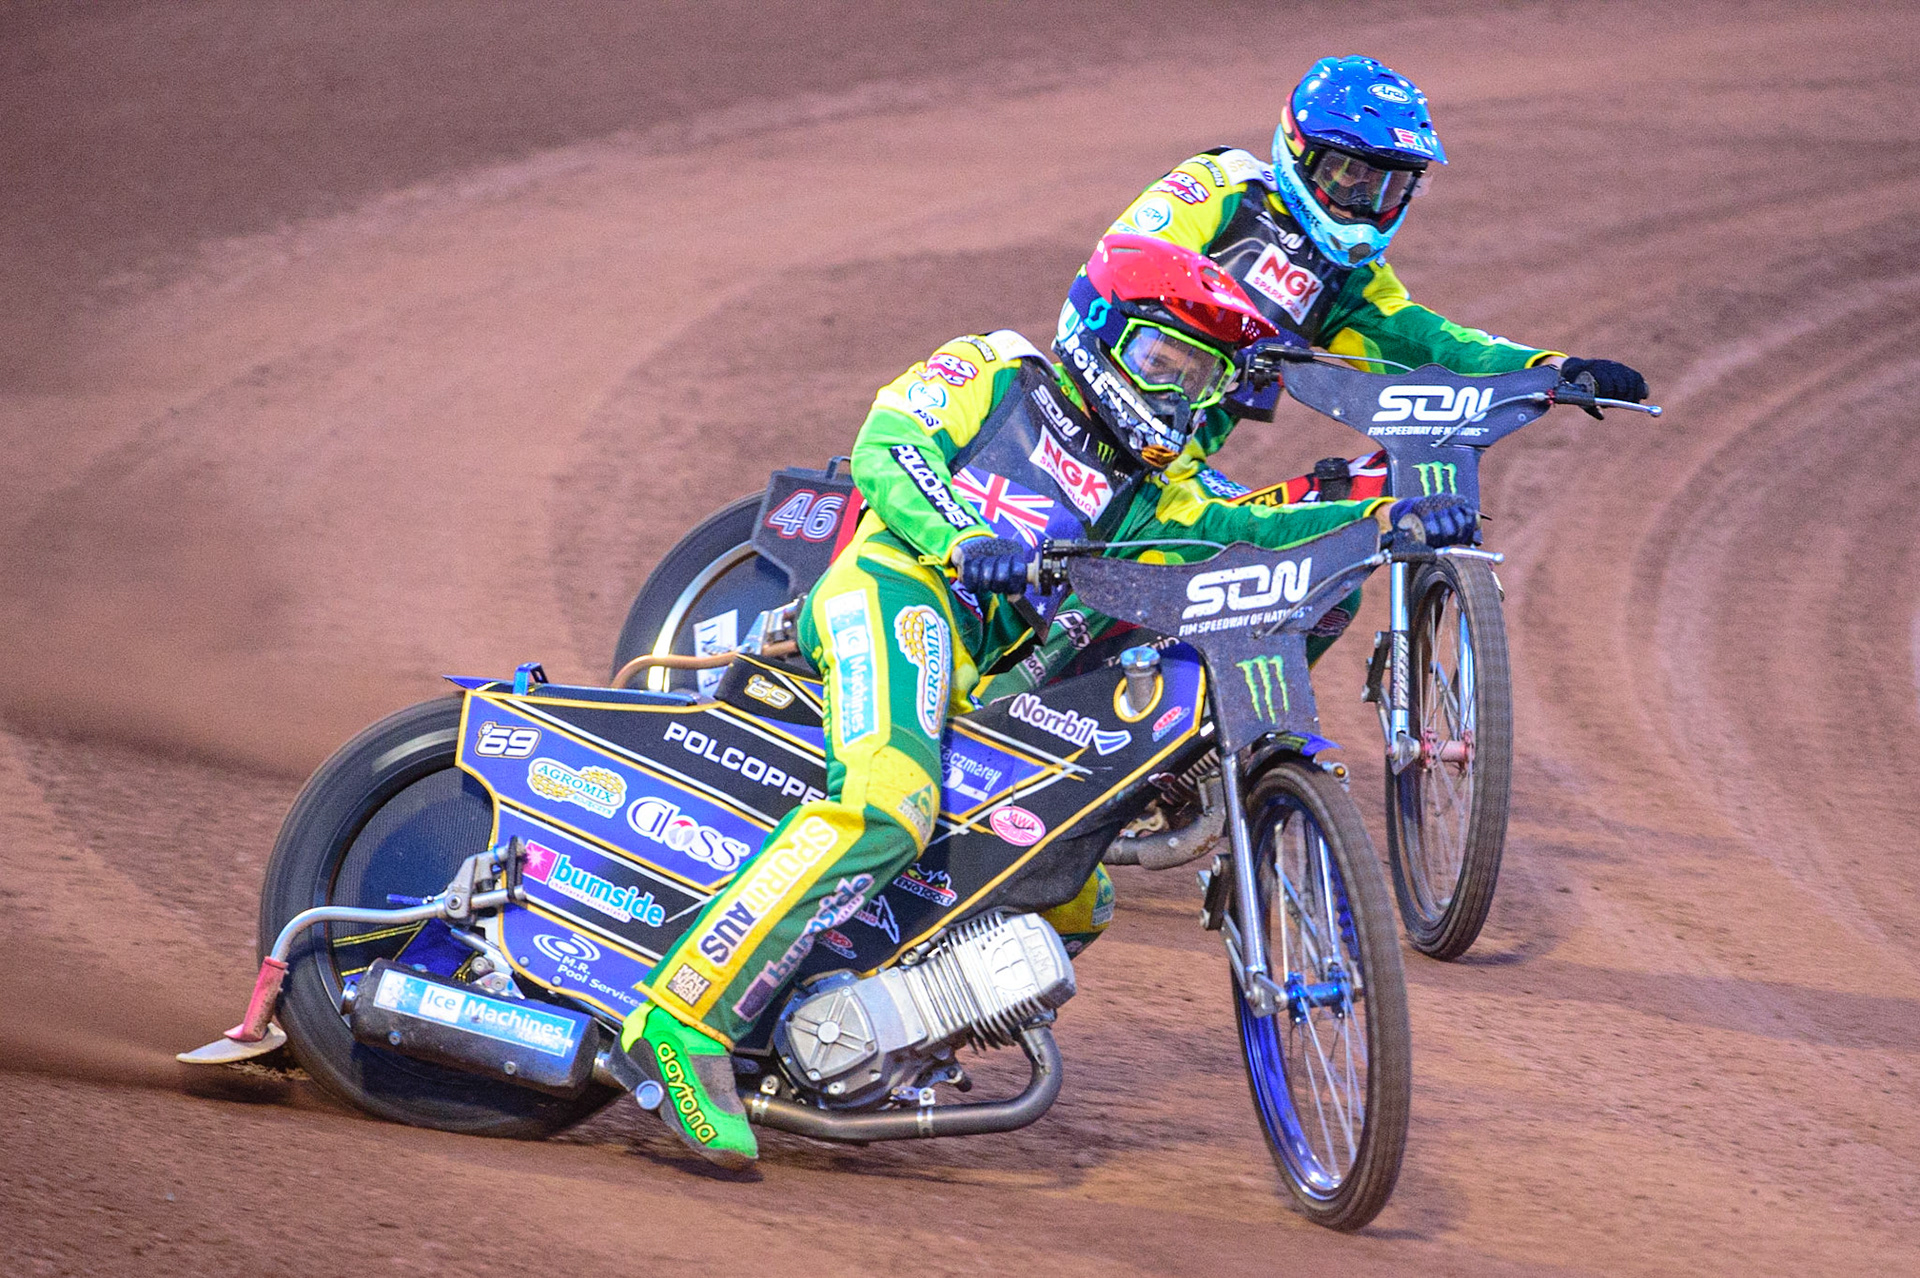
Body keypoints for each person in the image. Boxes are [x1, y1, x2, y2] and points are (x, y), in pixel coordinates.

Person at [619, 234, 1478, 1169]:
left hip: (987, 677)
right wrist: (960, 537)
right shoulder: (999, 369)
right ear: (1100, 330)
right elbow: (888, 443)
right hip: (895, 590)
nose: (1176, 392)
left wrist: (1390, 522)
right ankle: (681, 1021)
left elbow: (1259, 527)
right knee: (890, 802)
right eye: (1162, 360)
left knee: (1069, 897)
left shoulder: (1159, 489)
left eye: (1198, 378)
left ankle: (843, 1029)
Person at [1100, 55, 1649, 656]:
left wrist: (1555, 368)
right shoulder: (1219, 190)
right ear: (1298, 150)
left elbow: (1427, 341)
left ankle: (1233, 746)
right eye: (1347, 175)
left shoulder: (1347, 277)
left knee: (1329, 582)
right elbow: (1123, 268)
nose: (1362, 201)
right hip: (1096, 452)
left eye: (1387, 185)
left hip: (1180, 479)